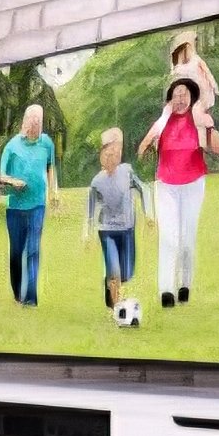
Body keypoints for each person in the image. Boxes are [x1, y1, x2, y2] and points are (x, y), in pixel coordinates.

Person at [138, 78, 219, 309]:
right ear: (170, 99)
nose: (180, 98)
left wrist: (210, 126)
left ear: (191, 97)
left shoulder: (198, 120)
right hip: (166, 185)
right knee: (169, 238)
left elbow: (217, 148)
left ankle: (185, 284)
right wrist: (150, 143)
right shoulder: (163, 121)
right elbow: (142, 147)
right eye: (176, 94)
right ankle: (166, 290)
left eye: (184, 94)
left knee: (187, 239)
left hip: (193, 184)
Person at [0, 104, 61, 307]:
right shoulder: (12, 146)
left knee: (33, 250)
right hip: (15, 208)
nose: (35, 126)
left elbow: (50, 167)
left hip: (37, 205)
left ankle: (31, 298)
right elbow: (1, 176)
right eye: (32, 122)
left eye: (38, 122)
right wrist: (13, 182)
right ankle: (18, 293)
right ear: (25, 122)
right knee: (17, 252)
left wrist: (54, 191)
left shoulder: (46, 143)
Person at [82, 127, 153, 311]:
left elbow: (144, 189)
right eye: (108, 154)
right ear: (102, 156)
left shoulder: (127, 172)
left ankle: (111, 284)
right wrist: (87, 234)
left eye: (116, 153)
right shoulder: (96, 182)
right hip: (107, 231)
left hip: (127, 229)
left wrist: (149, 214)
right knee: (114, 271)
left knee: (126, 273)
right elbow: (90, 211)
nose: (112, 157)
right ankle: (116, 307)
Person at [147, 31, 219, 158]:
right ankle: (157, 142)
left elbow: (208, 74)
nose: (187, 50)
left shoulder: (197, 60)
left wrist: (214, 87)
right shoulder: (176, 66)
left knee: (196, 114)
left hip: (198, 96)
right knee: (166, 115)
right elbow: (172, 83)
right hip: (181, 98)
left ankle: (201, 148)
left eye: (189, 47)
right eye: (184, 47)